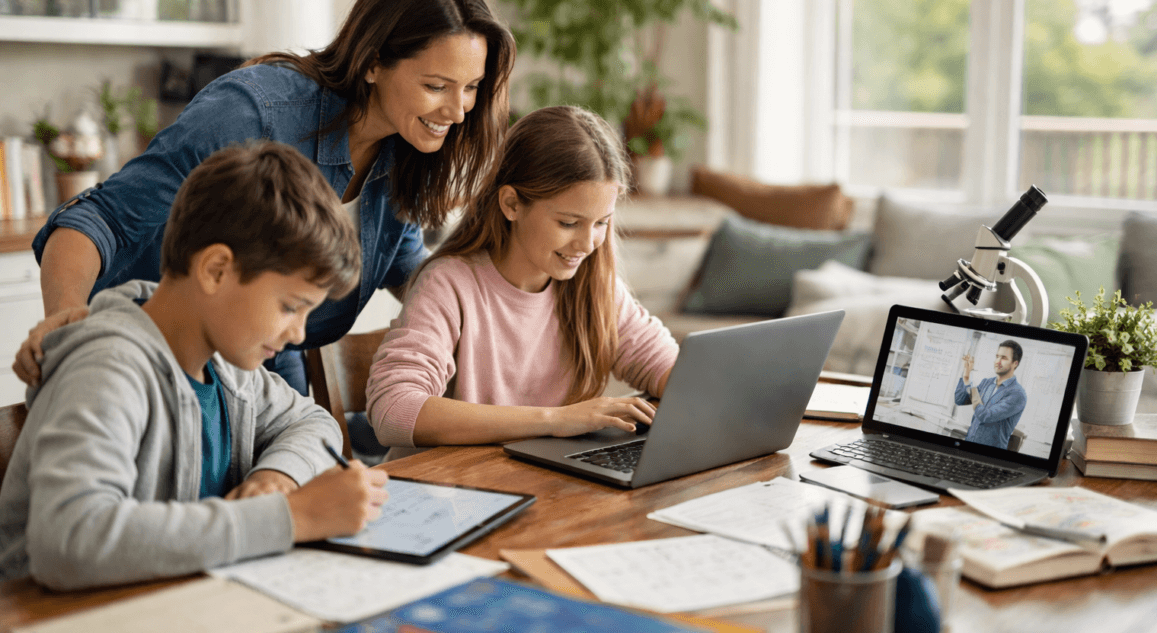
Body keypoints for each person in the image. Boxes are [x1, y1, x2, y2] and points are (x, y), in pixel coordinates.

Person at [13, 0, 515, 395]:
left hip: (263, 372)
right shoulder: (255, 113)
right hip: (143, 356)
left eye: (471, 88)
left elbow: (413, 274)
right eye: (436, 86)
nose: (458, 110)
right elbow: (98, 220)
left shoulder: (405, 154)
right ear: (373, 64)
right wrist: (64, 325)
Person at [0, 142, 389, 590]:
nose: (299, 334)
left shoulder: (229, 367)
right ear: (216, 270)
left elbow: (311, 421)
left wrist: (276, 476)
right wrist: (291, 517)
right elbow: (68, 541)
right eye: (289, 306)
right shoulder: (108, 370)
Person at [365, 105, 678, 456]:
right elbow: (394, 411)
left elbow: (669, 369)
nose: (588, 243)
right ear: (512, 203)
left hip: (538, 489)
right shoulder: (450, 284)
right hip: (442, 497)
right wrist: (555, 420)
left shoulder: (592, 286)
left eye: (601, 223)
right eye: (569, 223)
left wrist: (697, 384)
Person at [954, 340, 1027, 450]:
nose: (998, 361)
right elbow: (959, 399)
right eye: (997, 356)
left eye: (1003, 358)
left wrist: (971, 386)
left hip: (990, 455)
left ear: (1015, 363)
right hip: (969, 446)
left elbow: (986, 416)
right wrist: (966, 376)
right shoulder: (986, 383)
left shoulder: (1017, 394)